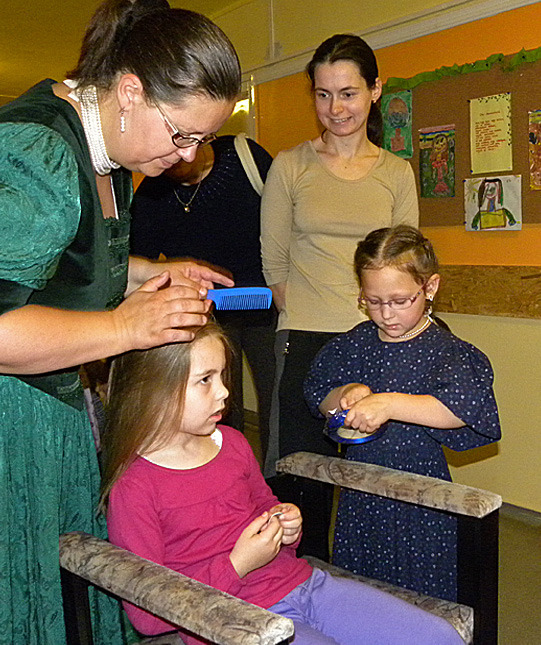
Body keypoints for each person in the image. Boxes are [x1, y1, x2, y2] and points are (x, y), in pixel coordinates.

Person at [0, 1, 241, 642]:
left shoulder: (108, 149)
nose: (189, 156)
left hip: (19, 392)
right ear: (131, 92)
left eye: (202, 140)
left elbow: (58, 258)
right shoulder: (34, 153)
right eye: (183, 134)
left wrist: (145, 271)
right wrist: (126, 328)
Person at [102, 319, 463, 645]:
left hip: (302, 585)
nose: (224, 391)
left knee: (440, 636)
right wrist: (237, 564)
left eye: (222, 376)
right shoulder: (134, 486)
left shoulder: (232, 443)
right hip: (230, 619)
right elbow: (146, 616)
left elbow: (264, 506)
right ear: (155, 389)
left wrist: (285, 524)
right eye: (205, 380)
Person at [260, 33, 419, 558]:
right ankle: (300, 583)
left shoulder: (396, 172)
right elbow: (275, 265)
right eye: (323, 94)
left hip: (378, 341)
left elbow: (406, 266)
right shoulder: (290, 165)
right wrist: (309, 314)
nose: (336, 108)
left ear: (375, 90)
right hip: (305, 339)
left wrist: (385, 328)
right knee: (300, 478)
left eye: (348, 93)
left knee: (374, 480)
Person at [304, 225, 501, 602]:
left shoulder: (446, 351)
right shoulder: (356, 343)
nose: (386, 314)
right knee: (362, 591)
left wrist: (390, 403)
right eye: (373, 301)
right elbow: (318, 393)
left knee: (421, 596)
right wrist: (345, 395)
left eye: (399, 301)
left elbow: (461, 408)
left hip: (420, 499)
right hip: (362, 494)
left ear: (430, 287)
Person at [130, 134, 276, 457]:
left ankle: (271, 480)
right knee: (218, 405)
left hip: (266, 305)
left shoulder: (244, 158)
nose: (175, 157)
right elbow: (136, 264)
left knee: (275, 402)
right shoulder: (152, 194)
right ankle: (222, 472)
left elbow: (284, 221)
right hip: (203, 316)